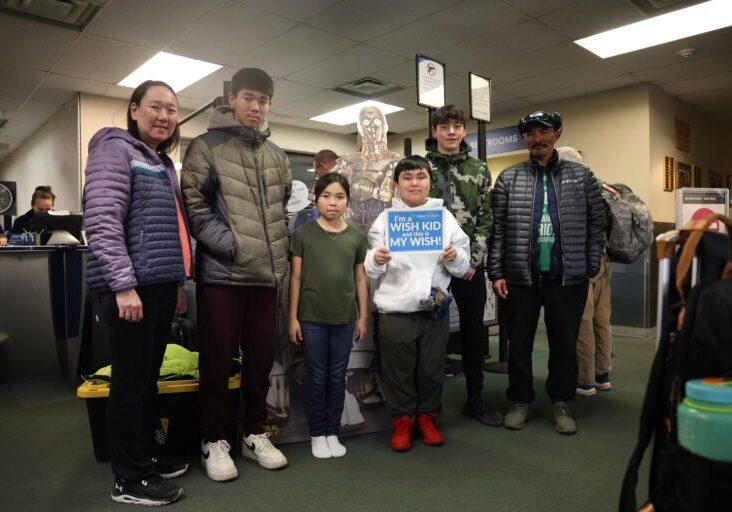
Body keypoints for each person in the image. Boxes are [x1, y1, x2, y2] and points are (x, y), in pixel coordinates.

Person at [83, 80, 192, 506]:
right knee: (129, 383)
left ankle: (146, 456)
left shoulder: (161, 162)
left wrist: (178, 283)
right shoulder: (115, 149)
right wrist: (123, 285)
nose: (164, 116)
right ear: (133, 110)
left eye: (171, 109)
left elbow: (172, 231)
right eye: (155, 107)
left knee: (147, 379)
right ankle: (129, 478)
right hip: (132, 288)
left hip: (161, 285)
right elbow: (103, 220)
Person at [182, 67, 292, 481]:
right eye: (249, 97)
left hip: (266, 278)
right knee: (216, 361)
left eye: (263, 100)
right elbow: (196, 209)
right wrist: (235, 246)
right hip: (224, 276)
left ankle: (254, 433)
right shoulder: (205, 146)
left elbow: (281, 212)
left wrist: (273, 253)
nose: (256, 107)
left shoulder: (276, 155)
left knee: (261, 361)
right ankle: (214, 440)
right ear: (232, 98)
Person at [489, 111, 605, 435]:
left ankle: (561, 401)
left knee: (564, 343)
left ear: (557, 133)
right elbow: (498, 231)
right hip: (520, 278)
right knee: (520, 343)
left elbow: (597, 224)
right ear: (524, 138)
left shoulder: (582, 177)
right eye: (530, 133)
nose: (537, 138)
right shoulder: (509, 179)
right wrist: (496, 272)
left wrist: (591, 264)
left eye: (544, 131)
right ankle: (520, 400)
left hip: (566, 278)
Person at [365, 155, 470, 451]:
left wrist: (454, 257)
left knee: (431, 368)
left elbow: (463, 265)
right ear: (397, 184)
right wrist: (377, 258)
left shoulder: (443, 217)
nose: (415, 183)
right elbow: (370, 269)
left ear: (429, 181)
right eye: (407, 177)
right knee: (397, 370)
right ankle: (403, 420)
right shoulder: (385, 220)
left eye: (420, 177)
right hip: (395, 310)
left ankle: (427, 416)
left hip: (432, 309)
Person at [425, 105, 501, 427]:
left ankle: (475, 399)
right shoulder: (420, 167)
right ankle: (429, 406)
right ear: (435, 132)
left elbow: (487, 218)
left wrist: (475, 259)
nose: (451, 132)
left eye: (457, 126)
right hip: (430, 268)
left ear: (464, 130)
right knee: (430, 335)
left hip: (469, 268)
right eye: (445, 127)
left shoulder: (479, 169)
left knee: (473, 335)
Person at [288, 172, 368, 459]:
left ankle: (333, 430)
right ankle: (317, 433)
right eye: (326, 196)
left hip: (345, 318)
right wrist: (292, 318)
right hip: (311, 319)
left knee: (337, 377)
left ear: (347, 200)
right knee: (317, 376)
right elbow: (295, 279)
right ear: (316, 199)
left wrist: (362, 318)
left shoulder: (357, 236)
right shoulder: (302, 235)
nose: (332, 203)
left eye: (339, 196)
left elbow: (360, 279)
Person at [556, 146, 613, 396]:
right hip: (603, 261)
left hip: (581, 264)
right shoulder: (600, 186)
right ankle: (603, 375)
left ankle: (585, 380)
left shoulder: (572, 189)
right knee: (603, 320)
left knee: (582, 321)